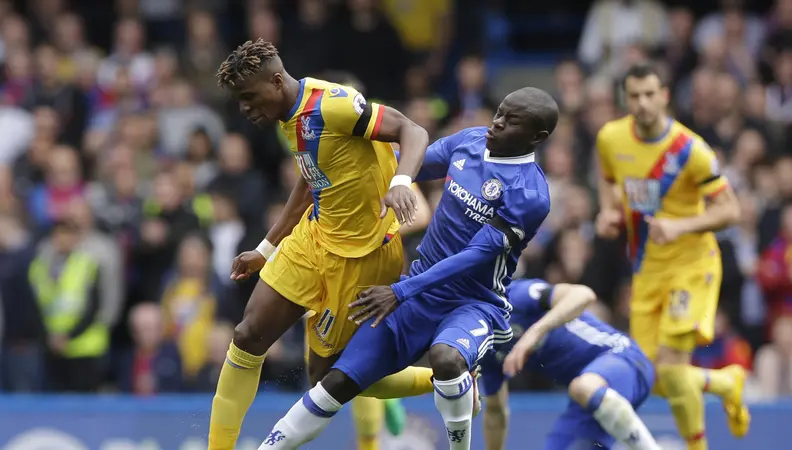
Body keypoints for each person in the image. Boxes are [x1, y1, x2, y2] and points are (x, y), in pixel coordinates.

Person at [257, 87, 557, 450]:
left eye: (512, 121)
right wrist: (348, 163)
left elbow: (474, 256)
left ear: (536, 137)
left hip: (474, 302)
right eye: (499, 112)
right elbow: (408, 164)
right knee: (333, 385)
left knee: (445, 358)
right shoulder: (471, 141)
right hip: (417, 291)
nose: (497, 122)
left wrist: (400, 291)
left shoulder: (530, 194)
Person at [207, 38, 435, 450]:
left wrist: (401, 181)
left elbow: (412, 129)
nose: (244, 108)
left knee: (332, 378)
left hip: (364, 256)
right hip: (313, 239)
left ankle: (442, 381)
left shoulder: (335, 105)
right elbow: (312, 176)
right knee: (248, 334)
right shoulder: (287, 116)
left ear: (276, 82)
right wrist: (265, 247)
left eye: (248, 97)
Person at [595, 61, 747, 450]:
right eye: (634, 96)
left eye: (650, 94)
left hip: (692, 266)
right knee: (649, 377)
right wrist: (609, 211)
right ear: (625, 99)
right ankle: (726, 382)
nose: (643, 103)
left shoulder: (691, 150)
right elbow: (609, 180)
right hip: (647, 270)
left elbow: (730, 210)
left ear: (664, 96)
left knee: (673, 370)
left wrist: (680, 226)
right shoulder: (610, 138)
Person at [481, 279, 659, 450]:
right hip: (589, 402)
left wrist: (535, 331)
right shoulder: (487, 345)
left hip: (625, 358)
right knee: (582, 389)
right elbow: (495, 412)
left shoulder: (514, 296)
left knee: (583, 386)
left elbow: (583, 294)